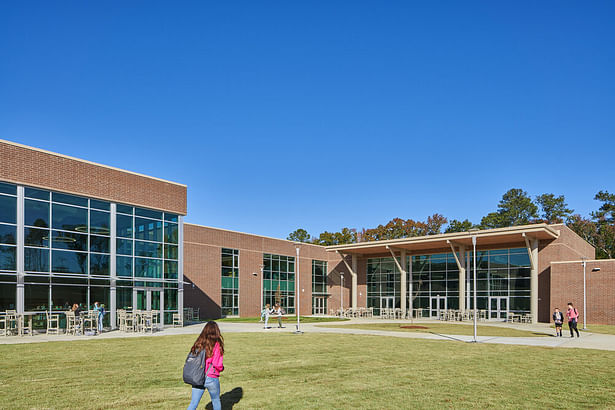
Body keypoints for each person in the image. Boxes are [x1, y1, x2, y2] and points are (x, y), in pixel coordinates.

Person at [187, 321, 224, 410]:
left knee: (193, 403)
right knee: (216, 401)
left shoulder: (199, 343)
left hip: (197, 376)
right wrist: (222, 368)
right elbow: (216, 364)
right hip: (211, 376)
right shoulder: (216, 344)